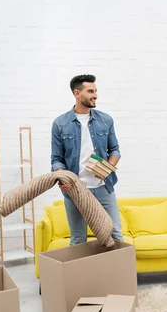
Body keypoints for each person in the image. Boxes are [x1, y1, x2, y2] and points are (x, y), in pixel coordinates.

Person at [50, 74, 123, 245]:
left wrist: (107, 167)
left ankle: (119, 271)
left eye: (96, 91)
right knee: (78, 238)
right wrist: (62, 177)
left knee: (115, 233)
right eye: (90, 91)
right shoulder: (60, 124)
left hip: (104, 186)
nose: (95, 95)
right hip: (75, 189)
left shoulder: (105, 120)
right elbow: (56, 159)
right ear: (77, 93)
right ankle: (78, 272)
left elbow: (115, 150)